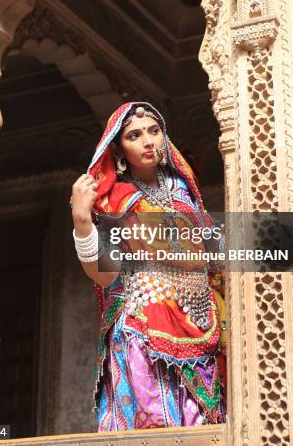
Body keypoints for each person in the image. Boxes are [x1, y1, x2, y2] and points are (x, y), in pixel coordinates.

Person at [70, 102, 226, 431]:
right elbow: (104, 272)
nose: (147, 141)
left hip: (200, 326)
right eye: (135, 135)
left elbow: (215, 261)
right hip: (142, 333)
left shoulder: (185, 195)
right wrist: (82, 221)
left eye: (154, 131)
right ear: (119, 149)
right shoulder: (115, 200)